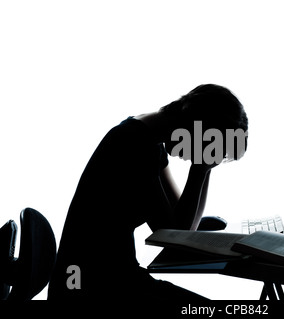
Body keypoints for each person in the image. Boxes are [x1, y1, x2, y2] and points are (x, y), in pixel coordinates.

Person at [47, 84, 248, 301]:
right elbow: (175, 234)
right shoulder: (136, 145)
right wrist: (200, 170)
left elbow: (184, 228)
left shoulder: (147, 137)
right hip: (93, 286)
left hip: (104, 278)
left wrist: (205, 169)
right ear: (197, 126)